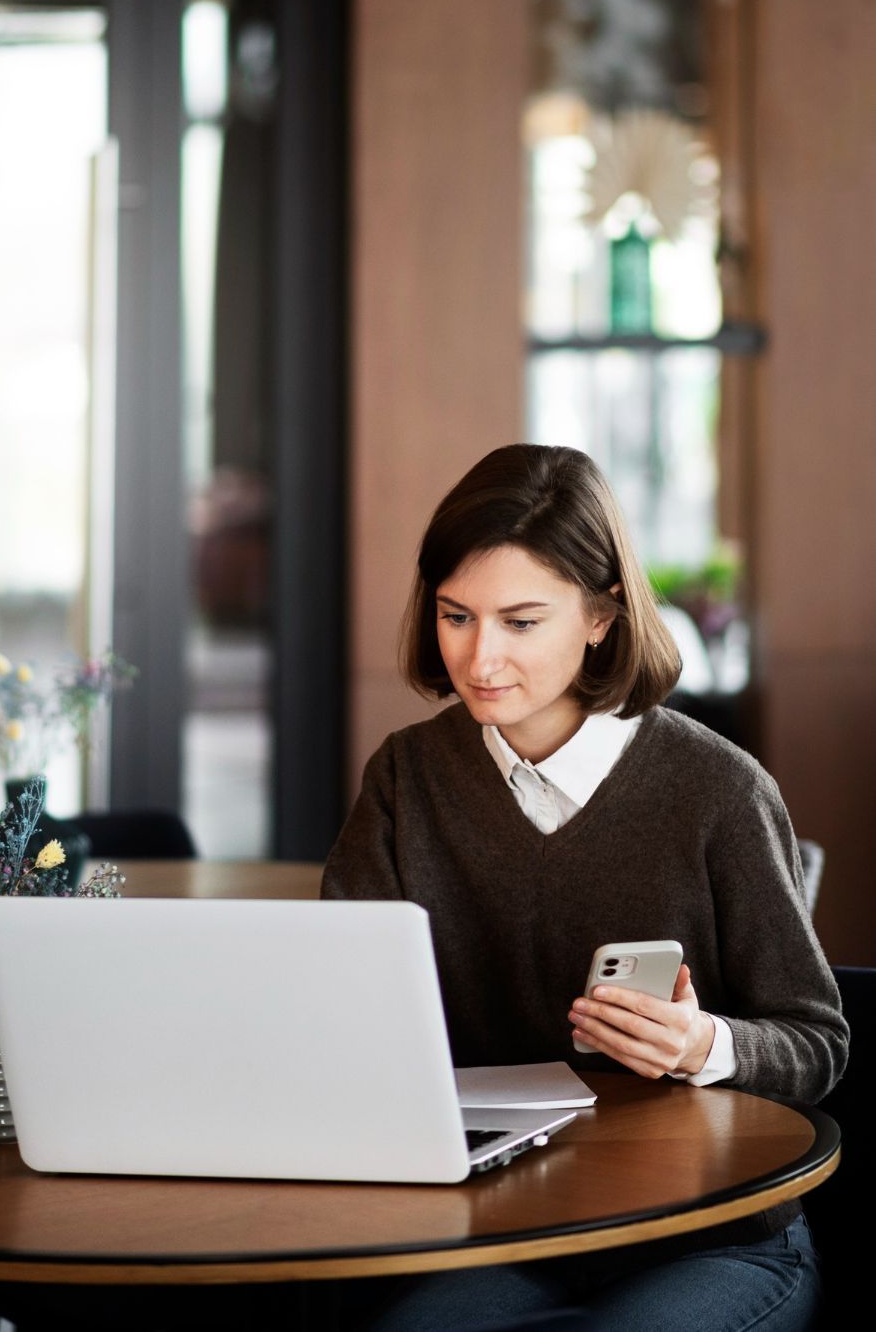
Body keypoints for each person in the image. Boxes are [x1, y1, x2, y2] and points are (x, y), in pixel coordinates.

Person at [323, 443, 848, 1332]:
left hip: (709, 1236)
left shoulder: (716, 789)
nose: (479, 657)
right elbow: (336, 1004)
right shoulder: (407, 776)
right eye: (456, 616)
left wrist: (701, 1045)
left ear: (601, 617)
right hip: (502, 1236)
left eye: (520, 623)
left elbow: (817, 1042)